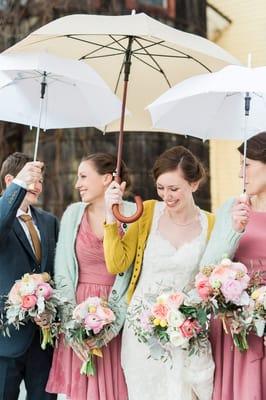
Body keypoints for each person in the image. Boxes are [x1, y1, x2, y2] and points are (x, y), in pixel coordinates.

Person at [103, 145, 217, 400]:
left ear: (195, 184)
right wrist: (111, 218)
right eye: (161, 188)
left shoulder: (211, 224)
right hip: (142, 332)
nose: (167, 196)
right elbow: (116, 264)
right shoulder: (148, 214)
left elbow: (210, 280)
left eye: (174, 188)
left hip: (186, 332)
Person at [46, 153, 136, 400]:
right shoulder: (73, 214)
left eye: (84, 176)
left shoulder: (132, 214)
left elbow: (131, 274)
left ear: (107, 178)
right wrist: (72, 326)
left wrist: (112, 325)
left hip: (117, 312)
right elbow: (62, 271)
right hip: (77, 313)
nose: (77, 184)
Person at [201, 131, 266, 400]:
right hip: (235, 324)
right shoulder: (232, 207)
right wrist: (234, 230)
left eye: (247, 165)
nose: (241, 174)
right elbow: (208, 266)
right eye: (240, 165)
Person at [0, 152, 59, 400]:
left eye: (40, 180)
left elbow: (58, 269)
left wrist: (46, 285)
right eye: (31, 178)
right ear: (10, 180)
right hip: (6, 338)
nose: (38, 185)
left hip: (42, 339)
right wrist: (19, 185)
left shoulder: (49, 221)